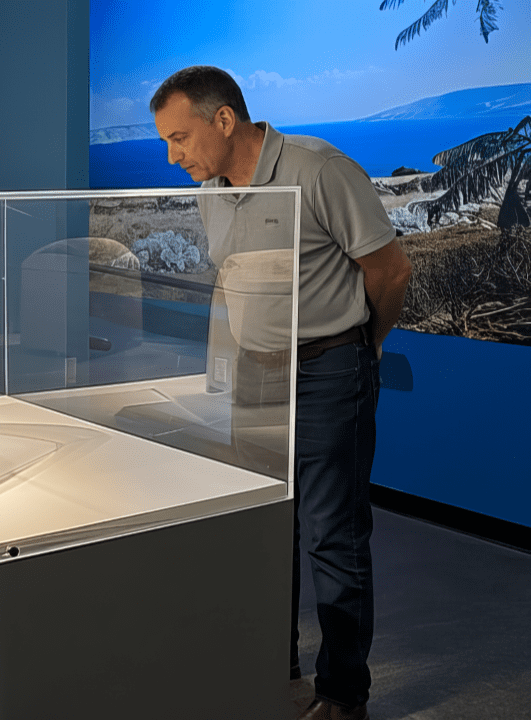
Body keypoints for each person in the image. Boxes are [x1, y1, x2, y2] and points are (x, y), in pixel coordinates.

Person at [150, 66, 412, 720]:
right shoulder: (211, 191)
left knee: (332, 537)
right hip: (254, 375)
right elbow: (232, 284)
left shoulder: (319, 170)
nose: (172, 155)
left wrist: (365, 347)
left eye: (179, 138)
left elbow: (390, 270)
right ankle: (272, 669)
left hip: (331, 369)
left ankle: (342, 696)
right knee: (266, 528)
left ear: (224, 120)